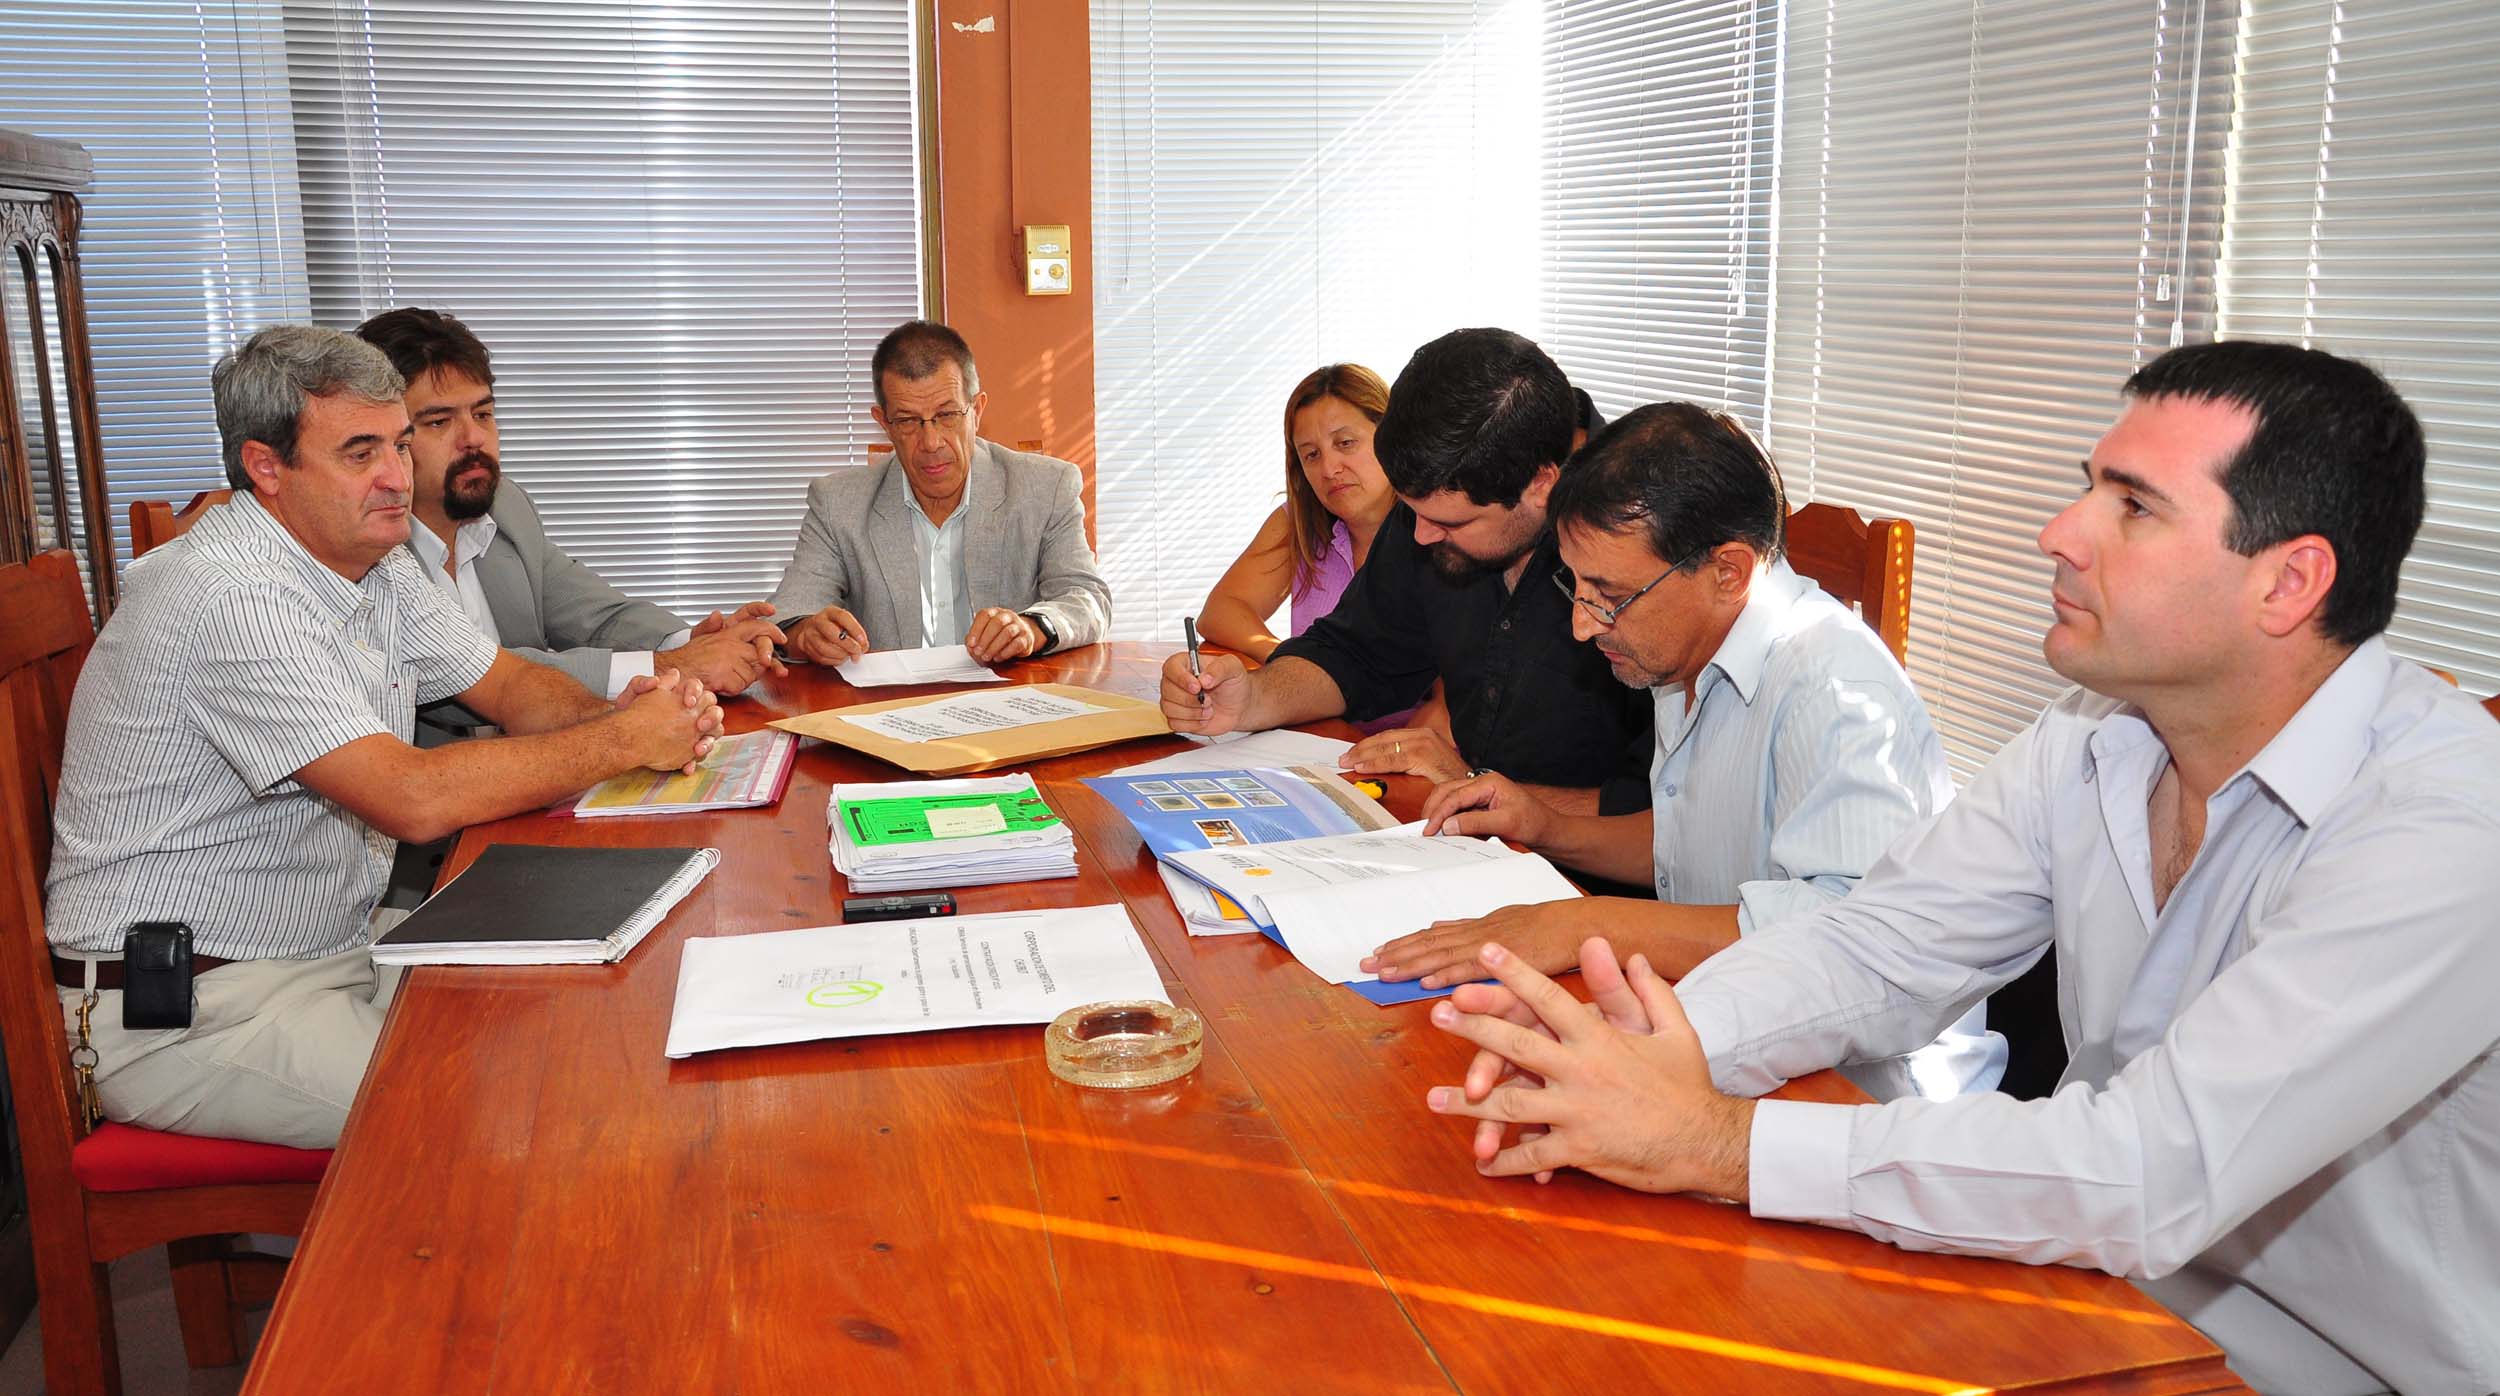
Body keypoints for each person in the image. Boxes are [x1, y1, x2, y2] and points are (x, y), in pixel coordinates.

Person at [1423, 341, 2500, 1396]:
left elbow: (2145, 1167)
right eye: (2086, 487)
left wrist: (1718, 1141)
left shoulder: (2446, 825)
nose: (2058, 532)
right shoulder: (2090, 733)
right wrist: (1654, 1051)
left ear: (2289, 582)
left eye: (2131, 506)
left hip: (2322, 1363)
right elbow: (1879, 945)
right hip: (2085, 1285)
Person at [44, 326, 724, 1150]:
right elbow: (412, 797)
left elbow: (509, 687)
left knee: (582, 1025)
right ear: (267, 467)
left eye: (402, 443)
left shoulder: (373, 556)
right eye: (361, 452)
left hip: (329, 951)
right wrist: (623, 744)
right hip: (185, 1011)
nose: (399, 479)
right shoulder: (231, 596)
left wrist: (638, 715)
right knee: (519, 1117)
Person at [1363, 403, 2001, 1099]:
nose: (1582, 624)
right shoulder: (1680, 651)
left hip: (1861, 1097)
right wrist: (1550, 829)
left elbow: (1849, 941)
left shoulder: (1837, 694)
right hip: (1721, 1030)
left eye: (1608, 594)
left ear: (1727, 572)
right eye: (1573, 585)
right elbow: (1697, 845)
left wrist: (1586, 923)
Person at [1162, 328, 1651, 811]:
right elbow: (1355, 652)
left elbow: (1665, 819)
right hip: (1468, 838)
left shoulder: (1649, 545)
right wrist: (1251, 699)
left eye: (1447, 521)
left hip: (1592, 877)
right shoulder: (1439, 497)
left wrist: (1489, 793)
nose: (1419, 537)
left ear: (1541, 486)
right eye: (1411, 511)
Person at [353, 306, 784, 744]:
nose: (474, 439)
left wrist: (694, 638)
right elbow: (484, 673)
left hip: (536, 773)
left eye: (483, 414)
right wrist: (675, 663)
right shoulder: (363, 547)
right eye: (440, 422)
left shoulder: (505, 506)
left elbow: (597, 616)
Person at [773, 319, 1112, 665]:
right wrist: (807, 634)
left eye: (947, 415)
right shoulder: (837, 502)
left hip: (1009, 703)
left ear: (976, 411)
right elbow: (789, 615)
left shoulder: (1046, 487)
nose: (931, 443)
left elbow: (1087, 600)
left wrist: (1030, 628)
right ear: (884, 423)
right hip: (888, 707)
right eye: (907, 421)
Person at [1193, 362, 1433, 732]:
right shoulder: (1300, 522)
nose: (1329, 468)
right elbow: (1221, 610)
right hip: (1319, 737)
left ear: (1391, 436)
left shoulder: (1439, 529)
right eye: (1311, 454)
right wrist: (1297, 663)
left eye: (1345, 443)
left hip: (1413, 751)